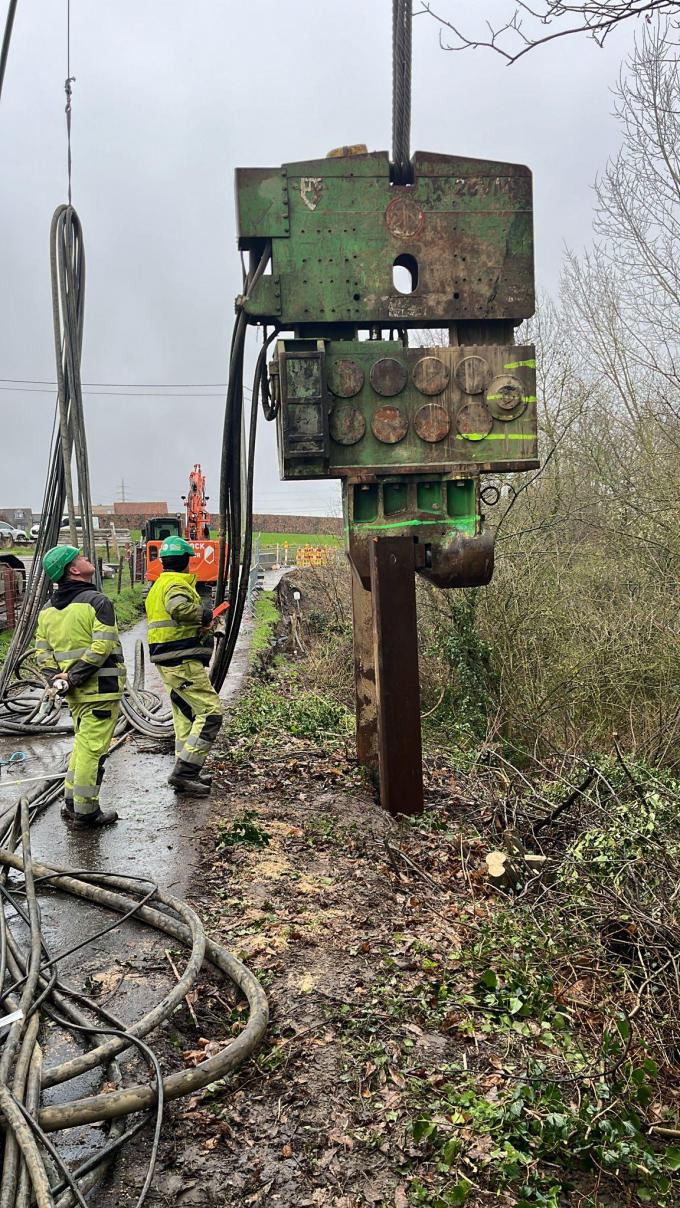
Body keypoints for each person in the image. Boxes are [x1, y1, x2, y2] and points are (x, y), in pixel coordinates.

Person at [35, 546, 126, 828]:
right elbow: (102, 646)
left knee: (83, 745)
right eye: (82, 558)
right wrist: (74, 676)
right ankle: (86, 812)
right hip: (100, 689)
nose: (87, 560)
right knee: (92, 749)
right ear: (73, 570)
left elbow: (42, 652)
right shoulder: (98, 602)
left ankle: (72, 802)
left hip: (73, 693)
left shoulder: (48, 612)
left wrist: (57, 679)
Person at [144, 535, 223, 797]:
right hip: (181, 660)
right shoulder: (177, 584)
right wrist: (205, 615)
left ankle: (186, 768)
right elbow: (178, 608)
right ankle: (185, 773)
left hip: (168, 660)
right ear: (187, 560)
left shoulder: (159, 584)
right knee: (210, 713)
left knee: (185, 717)